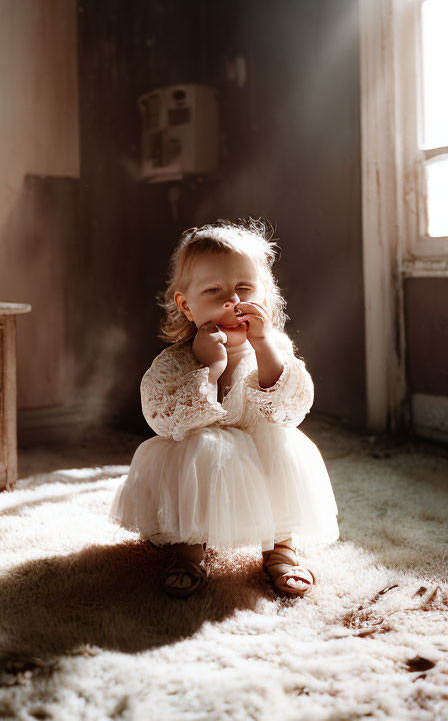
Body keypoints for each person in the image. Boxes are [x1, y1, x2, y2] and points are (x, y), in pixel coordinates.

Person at [109, 219, 339, 599]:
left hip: (261, 449)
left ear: (264, 296)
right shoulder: (177, 361)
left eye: (244, 288)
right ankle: (188, 548)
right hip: (201, 460)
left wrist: (264, 345)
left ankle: (281, 547)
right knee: (202, 447)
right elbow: (163, 418)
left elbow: (290, 408)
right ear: (186, 305)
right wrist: (211, 368)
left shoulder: (273, 346)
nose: (232, 301)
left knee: (281, 442)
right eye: (214, 290)